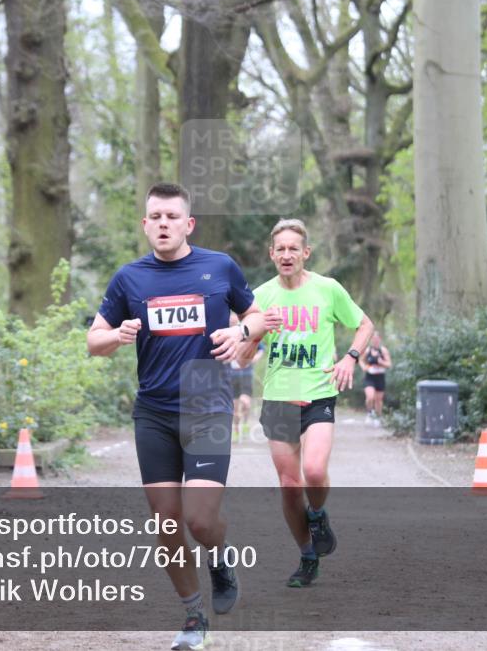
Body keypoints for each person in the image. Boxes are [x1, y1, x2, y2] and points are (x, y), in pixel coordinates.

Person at [87, 182, 267, 651]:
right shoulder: (129, 279)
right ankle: (193, 617)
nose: (163, 224)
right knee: (167, 525)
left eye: (172, 216)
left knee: (201, 520)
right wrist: (118, 335)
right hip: (154, 411)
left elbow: (260, 317)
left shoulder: (218, 266)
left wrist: (241, 331)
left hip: (207, 400)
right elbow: (94, 342)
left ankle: (221, 560)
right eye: (155, 217)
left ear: (188, 224)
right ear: (145, 224)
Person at [241, 218, 374, 588]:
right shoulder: (260, 297)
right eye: (280, 249)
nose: (286, 255)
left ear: (305, 253)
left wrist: (350, 357)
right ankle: (307, 555)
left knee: (313, 471)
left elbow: (365, 325)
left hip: (318, 394)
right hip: (279, 399)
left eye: (293, 248)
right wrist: (256, 334)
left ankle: (317, 515)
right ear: (272, 254)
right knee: (288, 484)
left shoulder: (328, 289)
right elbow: (241, 357)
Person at [226, 313, 264, 439]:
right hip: (232, 375)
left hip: (246, 373)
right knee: (235, 407)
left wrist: (255, 358)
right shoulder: (225, 334)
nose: (232, 322)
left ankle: (246, 421)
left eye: (234, 321)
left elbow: (261, 348)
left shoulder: (246, 332)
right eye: (230, 321)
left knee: (245, 402)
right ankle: (236, 430)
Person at [363, 331, 392, 428]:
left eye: (377, 339)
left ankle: (378, 417)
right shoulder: (368, 350)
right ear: (371, 340)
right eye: (373, 339)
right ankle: (369, 413)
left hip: (380, 377)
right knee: (370, 397)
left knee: (378, 400)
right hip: (369, 377)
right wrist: (364, 367)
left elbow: (389, 364)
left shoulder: (383, 351)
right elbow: (361, 360)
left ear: (379, 339)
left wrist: (381, 362)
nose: (375, 341)